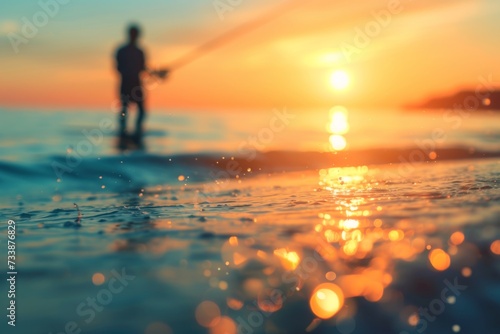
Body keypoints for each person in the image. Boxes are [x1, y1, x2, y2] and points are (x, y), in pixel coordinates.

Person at [115, 24, 167, 146]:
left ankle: (137, 131)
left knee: (141, 110)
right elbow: (118, 68)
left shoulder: (139, 51)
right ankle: (124, 131)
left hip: (136, 84)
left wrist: (158, 73)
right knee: (124, 109)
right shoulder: (122, 51)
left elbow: (144, 68)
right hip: (126, 83)